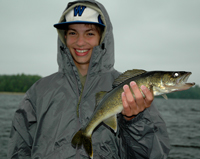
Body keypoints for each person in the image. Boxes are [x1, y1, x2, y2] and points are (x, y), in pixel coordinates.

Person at [7, 0, 170, 158]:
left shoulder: (132, 91)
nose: (80, 42)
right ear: (64, 37)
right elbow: (18, 150)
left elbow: (154, 155)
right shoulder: (37, 92)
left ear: (102, 37)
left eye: (90, 33)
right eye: (72, 33)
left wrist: (134, 121)